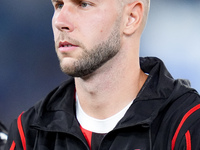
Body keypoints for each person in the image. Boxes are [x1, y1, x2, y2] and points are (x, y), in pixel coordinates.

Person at [5, 0, 200, 149]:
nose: (60, 21)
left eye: (83, 4)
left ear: (131, 17)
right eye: (59, 5)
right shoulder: (28, 131)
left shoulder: (187, 123)